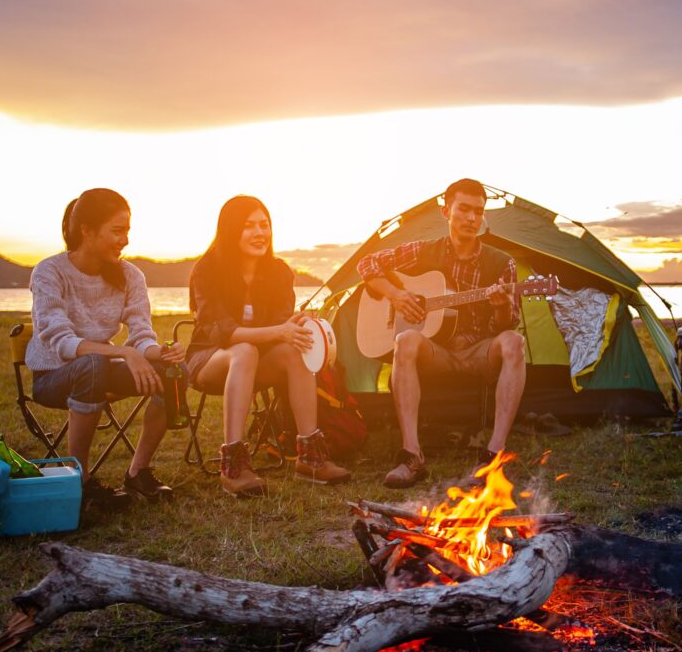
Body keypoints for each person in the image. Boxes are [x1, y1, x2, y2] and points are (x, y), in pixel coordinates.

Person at [356, 178, 525, 488]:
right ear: (446, 211)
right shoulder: (424, 251)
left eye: (478, 212)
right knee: (405, 340)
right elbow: (367, 264)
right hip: (438, 353)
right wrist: (397, 296)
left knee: (514, 342)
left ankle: (493, 455)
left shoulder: (502, 264)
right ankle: (412, 455)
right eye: (464, 209)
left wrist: (501, 307)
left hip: (479, 352)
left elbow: (506, 326)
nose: (472, 218)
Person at [26, 188, 184, 509]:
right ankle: (81, 482)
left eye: (127, 231)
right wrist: (124, 353)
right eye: (116, 231)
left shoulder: (130, 275)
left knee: (173, 370)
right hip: (53, 377)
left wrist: (160, 353)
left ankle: (138, 472)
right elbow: (61, 341)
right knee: (94, 364)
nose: (125, 240)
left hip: (99, 371)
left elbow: (141, 334)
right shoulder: (49, 272)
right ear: (87, 230)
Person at [187, 195, 351, 497]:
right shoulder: (207, 269)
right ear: (230, 229)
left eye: (264, 225)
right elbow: (224, 333)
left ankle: (310, 456)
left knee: (295, 347)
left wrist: (294, 325)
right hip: (209, 361)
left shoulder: (278, 271)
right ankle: (233, 465)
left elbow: (281, 325)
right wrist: (280, 330)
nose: (259, 232)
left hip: (257, 363)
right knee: (244, 349)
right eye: (249, 225)